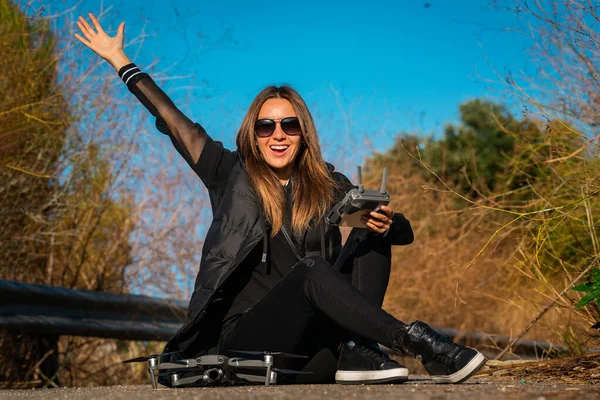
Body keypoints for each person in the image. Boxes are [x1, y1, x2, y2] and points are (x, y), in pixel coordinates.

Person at [75, 13, 487, 386]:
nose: (278, 134)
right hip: (248, 336)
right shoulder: (228, 173)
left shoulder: (329, 183)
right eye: (266, 125)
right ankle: (416, 342)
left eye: (289, 124)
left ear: (303, 132)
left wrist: (387, 222)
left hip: (312, 341)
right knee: (311, 269)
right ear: (253, 133)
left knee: (370, 232)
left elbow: (404, 233)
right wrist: (121, 62)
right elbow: (175, 122)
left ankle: (355, 349)